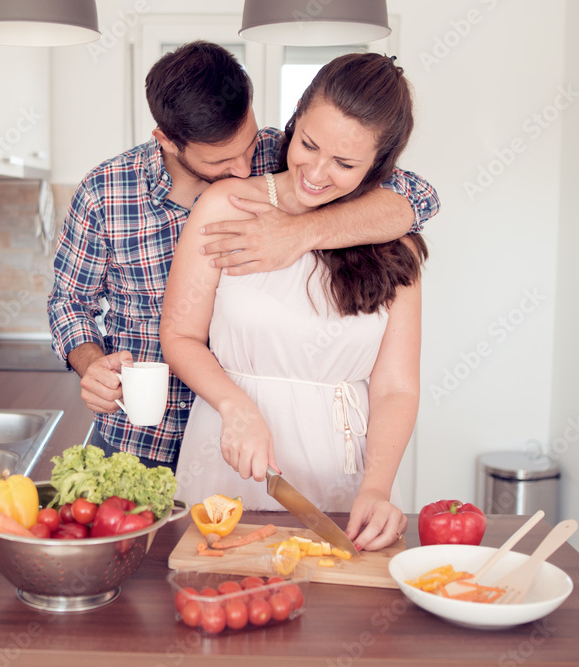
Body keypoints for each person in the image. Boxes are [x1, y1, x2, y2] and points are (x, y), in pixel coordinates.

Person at [48, 42, 438, 471]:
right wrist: (91, 365)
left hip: (244, 439)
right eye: (221, 159)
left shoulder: (288, 153)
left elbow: (417, 196)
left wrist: (299, 231)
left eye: (248, 145)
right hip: (140, 435)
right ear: (167, 141)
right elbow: (69, 302)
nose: (243, 168)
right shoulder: (105, 192)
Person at [160, 53, 427, 551]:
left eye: (345, 164)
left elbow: (395, 387)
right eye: (308, 144)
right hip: (227, 452)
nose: (316, 172)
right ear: (294, 120)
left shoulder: (396, 243)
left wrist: (377, 486)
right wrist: (235, 407)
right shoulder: (227, 206)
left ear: (379, 165)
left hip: (338, 476)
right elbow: (179, 336)